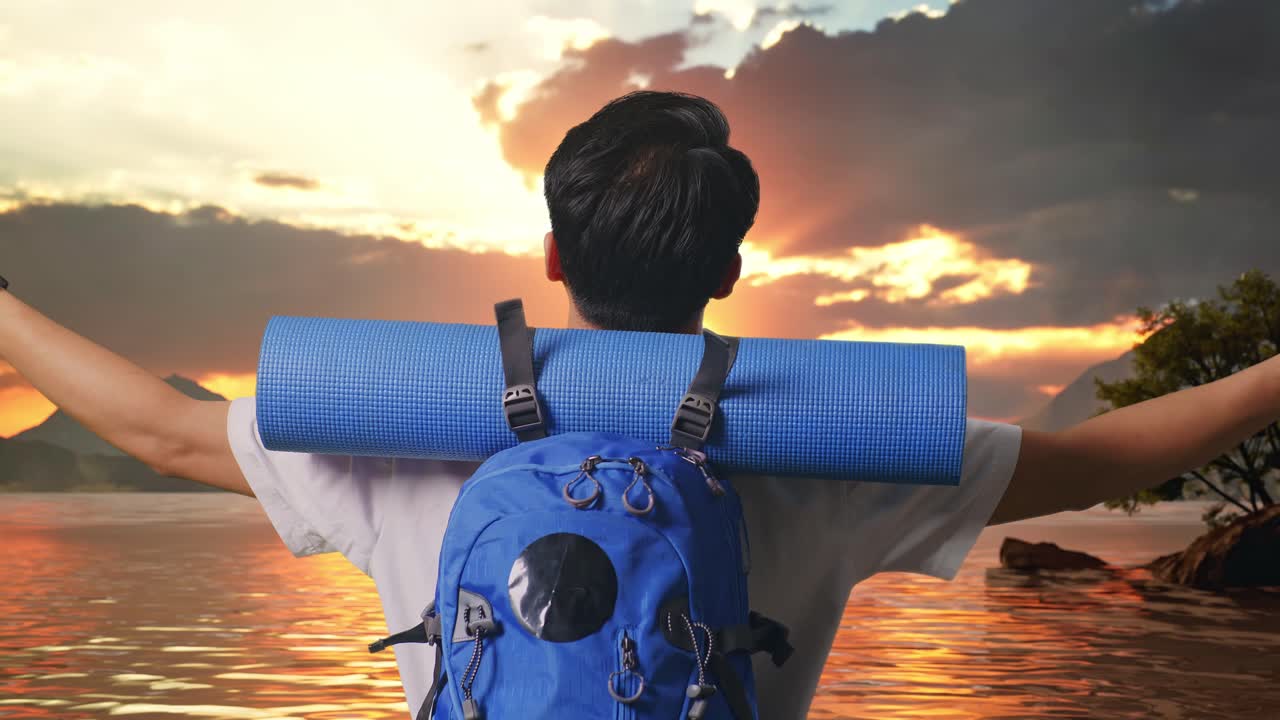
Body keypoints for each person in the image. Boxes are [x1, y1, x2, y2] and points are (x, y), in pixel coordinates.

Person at [2, 90, 1277, 720]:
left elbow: (158, 427)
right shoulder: (828, 441)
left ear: (552, 259)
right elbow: (1103, 458)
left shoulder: (405, 433)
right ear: (729, 270)